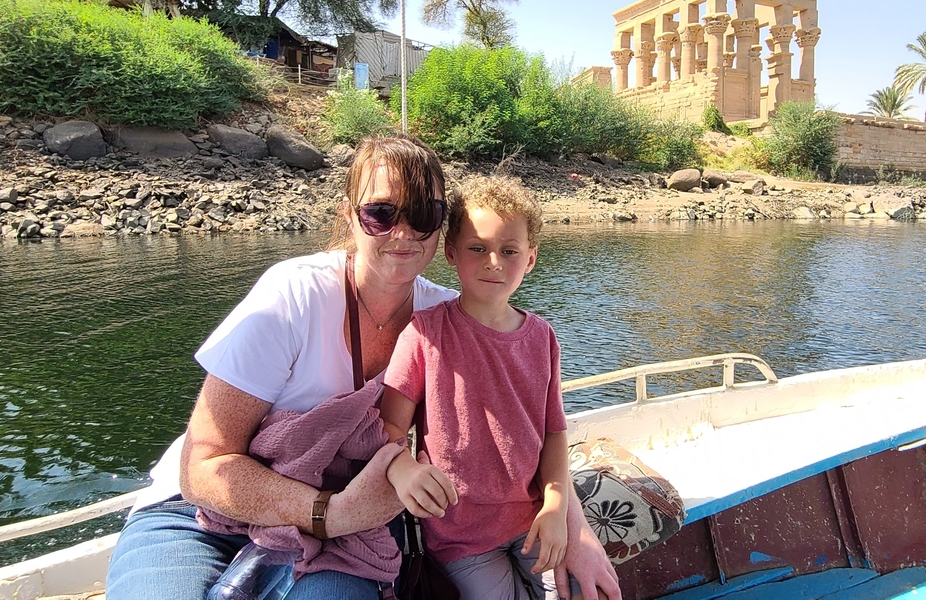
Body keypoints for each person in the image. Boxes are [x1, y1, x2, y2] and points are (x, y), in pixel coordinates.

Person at [104, 135, 621, 600]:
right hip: (204, 516)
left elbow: (535, 427)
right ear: (351, 215)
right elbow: (203, 468)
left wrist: (577, 533)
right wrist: (333, 512)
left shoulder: (454, 319)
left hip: (348, 528)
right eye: (381, 213)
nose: (403, 232)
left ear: (441, 230)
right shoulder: (293, 295)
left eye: (422, 215)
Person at [380, 175, 572, 599]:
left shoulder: (542, 338)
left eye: (509, 251)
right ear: (451, 253)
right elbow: (387, 430)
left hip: (532, 518)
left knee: (575, 589)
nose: (493, 262)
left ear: (531, 258)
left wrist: (557, 505)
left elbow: (554, 431)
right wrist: (405, 468)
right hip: (459, 535)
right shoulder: (425, 334)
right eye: (477, 248)